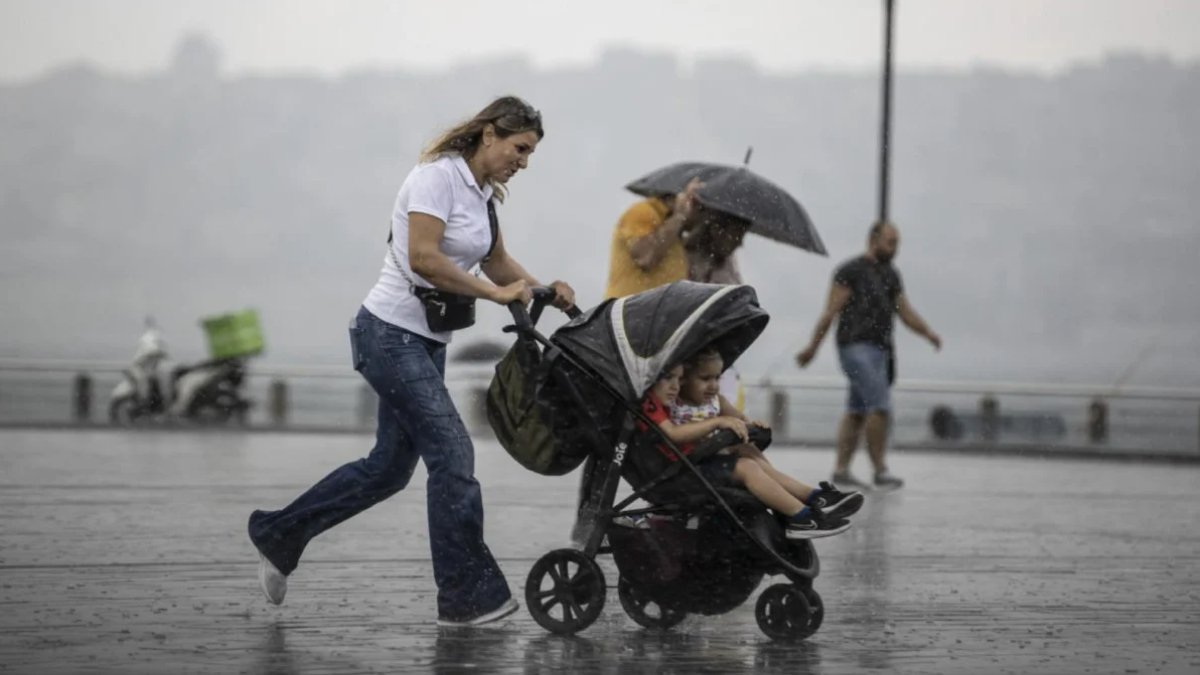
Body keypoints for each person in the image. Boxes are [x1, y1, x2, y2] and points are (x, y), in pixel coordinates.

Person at [246, 96, 576, 627]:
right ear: (489, 134)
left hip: (424, 342)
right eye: (520, 148)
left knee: (388, 470)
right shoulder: (436, 178)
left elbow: (495, 262)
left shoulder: (483, 196)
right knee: (452, 451)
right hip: (387, 334)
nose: (524, 161)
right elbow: (424, 258)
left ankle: (278, 533)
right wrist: (494, 297)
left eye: (531, 153)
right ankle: (466, 596)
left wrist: (543, 289)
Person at [642, 350, 863, 539]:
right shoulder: (660, 403)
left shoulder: (713, 400)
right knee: (747, 467)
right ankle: (801, 518)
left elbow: (738, 419)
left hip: (700, 459)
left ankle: (810, 497)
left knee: (746, 449)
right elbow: (673, 434)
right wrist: (717, 422)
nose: (714, 385)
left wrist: (751, 425)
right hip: (684, 470)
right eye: (705, 378)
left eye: (717, 378)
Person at [795, 221, 941, 490]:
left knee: (857, 410)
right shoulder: (850, 271)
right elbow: (830, 312)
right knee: (880, 406)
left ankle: (841, 470)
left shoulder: (891, 274)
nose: (894, 248)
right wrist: (812, 348)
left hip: (881, 349)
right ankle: (880, 470)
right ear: (873, 239)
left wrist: (928, 333)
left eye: (897, 243)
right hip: (854, 346)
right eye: (890, 241)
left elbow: (904, 311)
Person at [603, 178, 702, 299]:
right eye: (695, 203)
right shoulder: (642, 211)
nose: (697, 210)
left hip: (660, 310)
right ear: (677, 196)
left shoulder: (673, 226)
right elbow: (645, 256)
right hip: (633, 309)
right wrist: (679, 216)